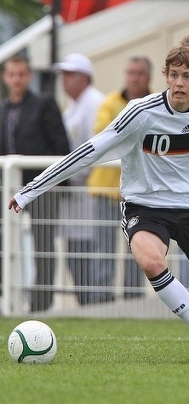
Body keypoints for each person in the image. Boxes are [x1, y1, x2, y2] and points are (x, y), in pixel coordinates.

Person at [8, 37, 189, 364]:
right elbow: (90, 151)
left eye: (187, 76)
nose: (178, 83)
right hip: (144, 207)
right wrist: (31, 189)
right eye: (173, 75)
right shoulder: (141, 112)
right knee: (151, 262)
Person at [0, 54, 70, 312]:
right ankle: (7, 299)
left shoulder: (44, 103)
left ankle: (40, 305)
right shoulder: (3, 109)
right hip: (8, 188)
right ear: (5, 78)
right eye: (12, 74)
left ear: (29, 76)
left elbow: (61, 146)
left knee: (43, 245)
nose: (17, 79)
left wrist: (57, 184)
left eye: (21, 74)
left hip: (41, 188)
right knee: (5, 243)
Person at [86, 55, 153, 299]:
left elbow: (117, 137)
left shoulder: (155, 103)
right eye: (131, 73)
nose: (134, 78)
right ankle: (100, 304)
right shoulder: (110, 102)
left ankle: (132, 304)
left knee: (138, 250)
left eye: (139, 73)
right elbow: (101, 134)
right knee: (103, 250)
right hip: (106, 189)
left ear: (148, 77)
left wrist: (123, 137)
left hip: (139, 193)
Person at [53, 53, 107, 305]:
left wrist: (67, 176)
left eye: (69, 74)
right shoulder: (73, 107)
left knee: (89, 259)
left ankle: (93, 306)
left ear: (84, 77)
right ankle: (86, 305)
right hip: (74, 196)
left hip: (88, 194)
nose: (64, 80)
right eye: (63, 75)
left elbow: (94, 150)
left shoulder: (94, 103)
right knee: (76, 258)